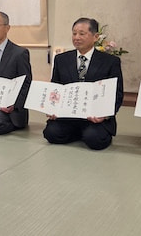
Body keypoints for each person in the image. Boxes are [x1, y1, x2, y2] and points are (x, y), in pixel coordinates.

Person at [43, 17, 124, 150]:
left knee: (94, 139)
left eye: (82, 34)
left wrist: (105, 115)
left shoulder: (110, 61)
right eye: (74, 33)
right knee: (51, 134)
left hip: (94, 117)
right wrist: (52, 108)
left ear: (95, 37)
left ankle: (85, 133)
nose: (77, 37)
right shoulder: (61, 59)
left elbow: (117, 93)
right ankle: (78, 132)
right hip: (68, 116)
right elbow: (55, 87)